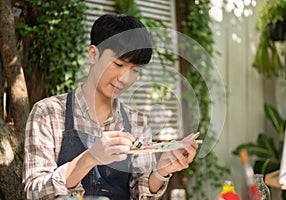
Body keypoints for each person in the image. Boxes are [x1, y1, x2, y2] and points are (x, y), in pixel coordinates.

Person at [23, 14, 198, 199]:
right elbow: (35, 192)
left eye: (135, 70)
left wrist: (161, 171)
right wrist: (89, 158)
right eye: (118, 64)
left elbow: (140, 193)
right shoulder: (48, 113)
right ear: (93, 55)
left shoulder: (137, 122)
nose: (125, 78)